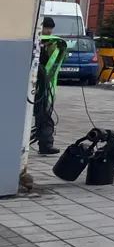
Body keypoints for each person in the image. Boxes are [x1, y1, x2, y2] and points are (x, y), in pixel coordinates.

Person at [31, 17, 65, 156]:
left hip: (43, 83)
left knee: (45, 114)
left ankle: (46, 144)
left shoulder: (52, 43)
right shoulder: (34, 40)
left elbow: (60, 57)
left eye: (51, 28)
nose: (49, 31)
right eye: (47, 28)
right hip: (32, 81)